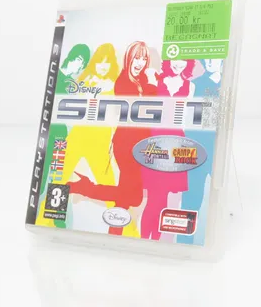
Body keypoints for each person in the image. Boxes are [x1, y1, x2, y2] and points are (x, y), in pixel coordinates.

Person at [68, 41, 156, 237]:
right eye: (136, 58)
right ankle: (114, 233)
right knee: (126, 198)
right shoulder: (123, 82)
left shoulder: (142, 80)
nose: (140, 63)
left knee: (132, 198)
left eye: (144, 58)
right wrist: (151, 85)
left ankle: (85, 188)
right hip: (126, 145)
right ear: (128, 58)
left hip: (141, 145)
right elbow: (141, 107)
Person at [59, 43, 120, 228]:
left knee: (108, 182)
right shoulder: (84, 81)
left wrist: (113, 139)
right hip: (78, 134)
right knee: (60, 175)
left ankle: (120, 224)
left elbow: (115, 115)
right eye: (100, 61)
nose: (103, 66)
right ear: (94, 62)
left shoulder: (114, 85)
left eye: (107, 62)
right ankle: (50, 217)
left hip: (101, 138)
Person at [35, 44, 91, 228]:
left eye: (83, 64)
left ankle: (57, 217)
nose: (79, 66)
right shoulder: (56, 76)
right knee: (43, 176)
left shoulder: (71, 84)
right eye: (79, 60)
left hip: (62, 137)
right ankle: (37, 214)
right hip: (48, 135)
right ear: (71, 57)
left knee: (58, 176)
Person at [140, 59, 196, 240]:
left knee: (162, 196)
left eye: (183, 63)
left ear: (188, 63)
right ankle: (145, 238)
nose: (178, 66)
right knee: (154, 195)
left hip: (175, 139)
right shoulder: (155, 79)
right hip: (154, 138)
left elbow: (185, 117)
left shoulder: (190, 86)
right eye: (175, 61)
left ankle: (154, 239)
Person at [178, 58, 223, 245]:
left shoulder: (228, 84)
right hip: (196, 149)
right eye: (208, 59)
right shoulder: (195, 84)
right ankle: (184, 243)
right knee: (191, 198)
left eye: (215, 58)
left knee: (222, 194)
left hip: (219, 147)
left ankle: (215, 237)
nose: (211, 62)